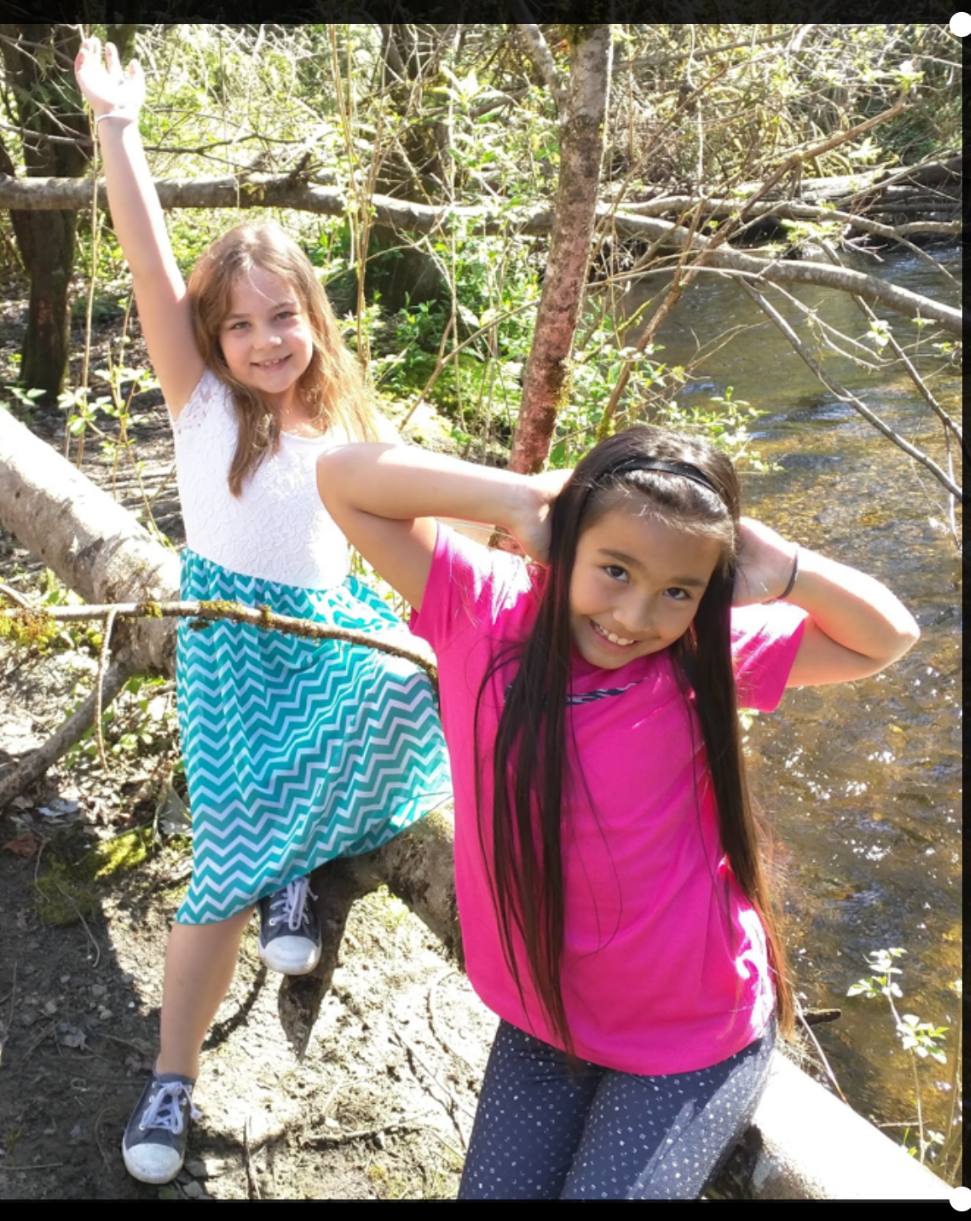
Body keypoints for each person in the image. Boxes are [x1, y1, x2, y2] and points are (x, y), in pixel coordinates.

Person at [316, 428, 919, 1199]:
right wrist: (522, 499)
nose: (634, 615)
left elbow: (886, 637)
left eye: (677, 590)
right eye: (614, 569)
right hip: (545, 1012)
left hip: (690, 1030)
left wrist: (785, 570)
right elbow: (342, 476)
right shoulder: (483, 608)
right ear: (564, 542)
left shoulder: (702, 652)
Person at [73, 38, 451, 1185]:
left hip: (325, 644)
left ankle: (306, 859)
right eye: (238, 326)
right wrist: (117, 128)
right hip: (233, 657)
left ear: (313, 319)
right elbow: (147, 261)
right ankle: (171, 1077)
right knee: (222, 872)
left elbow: (427, 533)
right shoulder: (198, 406)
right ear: (213, 339)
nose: (264, 341)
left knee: (417, 680)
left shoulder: (344, 425)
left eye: (281, 317)